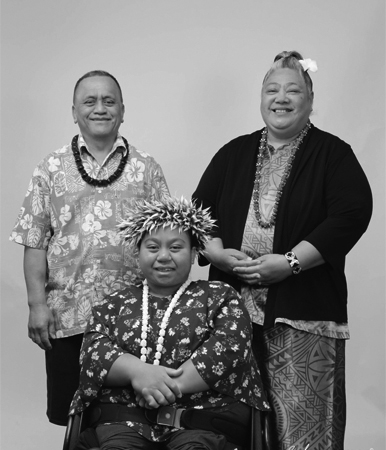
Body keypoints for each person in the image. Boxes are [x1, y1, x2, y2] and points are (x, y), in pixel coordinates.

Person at [192, 51, 372, 450]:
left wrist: (290, 263)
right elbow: (197, 215)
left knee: (307, 434)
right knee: (229, 428)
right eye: (272, 89)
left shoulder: (333, 154)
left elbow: (352, 214)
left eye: (293, 90)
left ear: (310, 100)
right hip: (232, 317)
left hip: (304, 316)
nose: (281, 97)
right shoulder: (233, 153)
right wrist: (217, 254)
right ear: (261, 98)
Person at [9, 70, 170, 426]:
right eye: (90, 101)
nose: (100, 108)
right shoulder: (50, 169)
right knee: (75, 420)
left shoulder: (147, 168)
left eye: (109, 101)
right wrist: (37, 306)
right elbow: (34, 241)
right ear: (74, 111)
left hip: (134, 317)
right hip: (67, 316)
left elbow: (164, 242)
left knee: (133, 420)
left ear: (123, 110)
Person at [68, 196, 270, 450]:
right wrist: (137, 372)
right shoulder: (114, 303)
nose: (163, 256)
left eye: (175, 248)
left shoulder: (220, 296)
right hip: (123, 423)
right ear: (138, 252)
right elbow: (92, 353)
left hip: (202, 422)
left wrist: (159, 387)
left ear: (195, 252)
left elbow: (229, 350)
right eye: (153, 248)